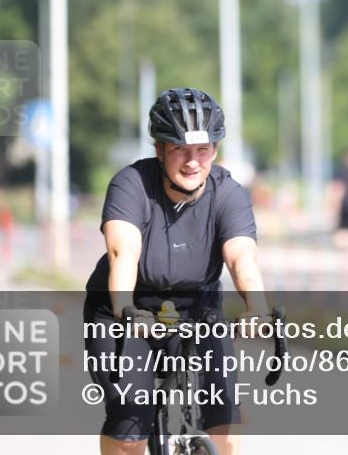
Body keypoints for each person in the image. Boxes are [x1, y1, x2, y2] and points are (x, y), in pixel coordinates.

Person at [83, 88, 267, 455]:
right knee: (131, 422)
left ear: (215, 150)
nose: (192, 162)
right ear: (160, 148)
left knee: (223, 414)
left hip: (198, 311)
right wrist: (125, 309)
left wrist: (257, 308)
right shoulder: (131, 185)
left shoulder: (228, 193)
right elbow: (123, 252)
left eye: (203, 150)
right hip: (128, 312)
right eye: (181, 149)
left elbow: (241, 258)